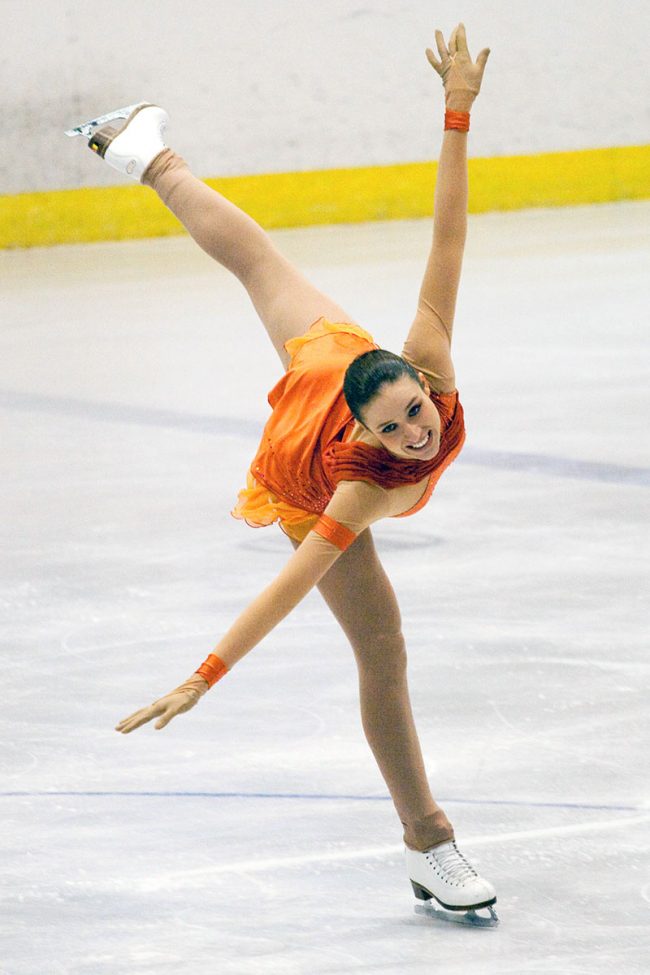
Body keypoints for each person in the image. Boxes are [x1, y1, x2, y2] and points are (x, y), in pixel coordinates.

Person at [68, 23, 497, 924]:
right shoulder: (353, 484)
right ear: (367, 429)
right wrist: (203, 674)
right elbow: (292, 581)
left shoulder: (418, 359)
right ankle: (430, 843)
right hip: (301, 458)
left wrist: (456, 112)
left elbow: (448, 235)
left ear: (420, 381)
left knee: (259, 260)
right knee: (382, 649)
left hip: (329, 360)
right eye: (397, 429)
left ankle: (142, 147)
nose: (419, 435)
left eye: (417, 412)